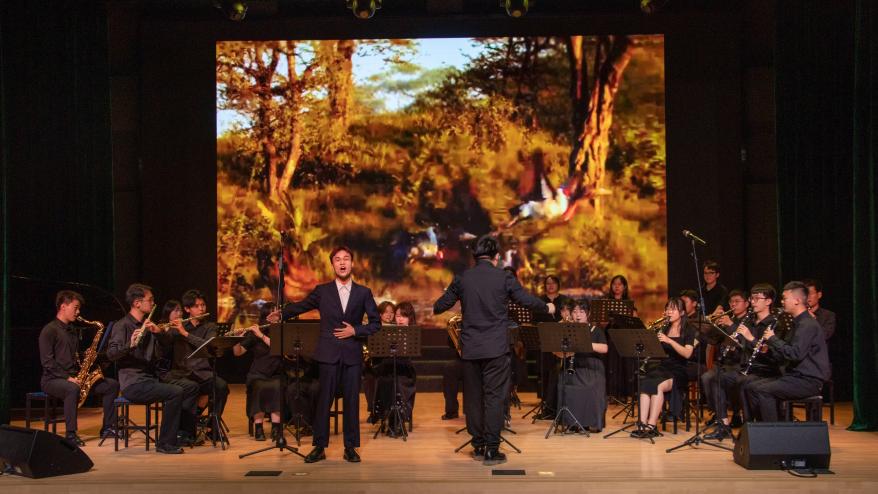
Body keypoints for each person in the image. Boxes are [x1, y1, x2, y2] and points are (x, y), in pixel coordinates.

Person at [433, 235, 554, 465]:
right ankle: (491, 449)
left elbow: (439, 307)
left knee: (473, 398)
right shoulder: (504, 277)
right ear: (496, 256)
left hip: (470, 350)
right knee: (494, 398)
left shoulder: (462, 278)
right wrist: (547, 307)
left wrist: (459, 294)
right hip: (496, 349)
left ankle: (478, 445)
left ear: (475, 255)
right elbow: (525, 300)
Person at [272, 246, 381, 463]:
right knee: (323, 402)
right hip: (328, 354)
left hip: (352, 355)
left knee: (351, 402)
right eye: (337, 259)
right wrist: (282, 314)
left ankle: (350, 447)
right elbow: (302, 306)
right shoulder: (322, 291)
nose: (342, 262)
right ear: (332, 265)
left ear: (352, 264)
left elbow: (376, 323)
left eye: (346, 259)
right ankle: (319, 446)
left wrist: (355, 330)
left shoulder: (363, 292)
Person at [107, 283, 199, 454]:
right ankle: (165, 443)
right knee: (175, 392)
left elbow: (164, 349)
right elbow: (111, 354)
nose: (153, 303)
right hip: (134, 383)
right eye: (150, 300)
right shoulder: (123, 325)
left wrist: (158, 333)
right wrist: (129, 345)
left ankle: (183, 434)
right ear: (137, 303)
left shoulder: (148, 325)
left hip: (150, 379)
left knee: (191, 386)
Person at [39, 290, 119, 445]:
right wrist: (67, 378)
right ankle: (71, 434)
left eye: (79, 309)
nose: (78, 312)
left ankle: (107, 427)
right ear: (63, 306)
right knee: (72, 388)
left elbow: (74, 357)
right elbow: (47, 362)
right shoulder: (49, 330)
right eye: (75, 308)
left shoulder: (72, 331)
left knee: (112, 385)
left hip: (75, 377)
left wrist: (88, 358)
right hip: (52, 379)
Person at [743, 281, 831, 422]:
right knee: (750, 386)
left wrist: (773, 339)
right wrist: (767, 350)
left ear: (797, 301)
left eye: (785, 298)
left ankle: (772, 431)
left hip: (808, 380)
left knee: (763, 390)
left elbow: (795, 354)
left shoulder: (807, 325)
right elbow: (785, 353)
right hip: (794, 376)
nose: (782, 302)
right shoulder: (796, 323)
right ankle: (756, 428)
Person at [162, 289, 230, 443]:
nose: (201, 309)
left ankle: (212, 427)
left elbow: (208, 345)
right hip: (182, 373)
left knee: (221, 387)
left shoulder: (210, 327)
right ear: (187, 309)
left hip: (203, 373)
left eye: (203, 305)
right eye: (197, 306)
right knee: (189, 388)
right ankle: (186, 429)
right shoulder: (178, 326)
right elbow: (163, 344)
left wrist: (185, 334)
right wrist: (161, 331)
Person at [633, 298, 695, 439]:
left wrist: (669, 341)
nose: (669, 312)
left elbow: (687, 353)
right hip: (663, 367)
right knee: (645, 383)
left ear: (682, 312)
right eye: (667, 309)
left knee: (657, 385)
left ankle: (652, 426)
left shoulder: (688, 329)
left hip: (679, 370)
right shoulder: (665, 327)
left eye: (673, 309)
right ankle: (642, 424)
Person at [547, 300, 608, 432]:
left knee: (590, 386)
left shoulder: (595, 330)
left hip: (591, 367)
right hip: (572, 365)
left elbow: (604, 348)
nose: (578, 315)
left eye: (582, 312)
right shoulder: (567, 330)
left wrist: (584, 343)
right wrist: (563, 351)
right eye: (574, 312)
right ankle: (571, 422)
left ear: (588, 314)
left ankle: (590, 422)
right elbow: (557, 352)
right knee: (565, 384)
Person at [232, 303, 286, 442]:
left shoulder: (282, 331)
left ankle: (276, 428)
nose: (277, 316)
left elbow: (281, 349)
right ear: (266, 315)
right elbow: (238, 353)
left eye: (278, 313)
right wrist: (236, 339)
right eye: (273, 313)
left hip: (276, 373)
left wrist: (261, 335)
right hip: (257, 374)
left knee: (277, 386)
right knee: (258, 386)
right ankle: (258, 428)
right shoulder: (255, 333)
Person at [700, 289, 750, 436]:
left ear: (746, 303)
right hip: (724, 363)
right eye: (731, 302)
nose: (733, 304)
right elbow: (714, 341)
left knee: (719, 379)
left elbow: (745, 343)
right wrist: (711, 328)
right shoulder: (727, 319)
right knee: (706, 377)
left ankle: (733, 414)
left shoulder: (749, 321)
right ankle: (719, 414)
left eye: (737, 301)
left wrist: (730, 325)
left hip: (739, 364)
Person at [373, 301, 418, 435]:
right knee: (387, 380)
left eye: (404, 316)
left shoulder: (413, 332)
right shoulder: (387, 331)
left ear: (410, 318)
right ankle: (390, 419)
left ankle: (397, 421)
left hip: (405, 372)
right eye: (398, 316)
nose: (400, 319)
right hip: (389, 369)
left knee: (397, 383)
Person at [365, 301, 395, 421]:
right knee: (369, 376)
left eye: (392, 312)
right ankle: (373, 409)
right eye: (386, 312)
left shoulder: (397, 328)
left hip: (391, 362)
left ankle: (387, 409)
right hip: (376, 362)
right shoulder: (373, 328)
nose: (389, 315)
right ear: (380, 314)